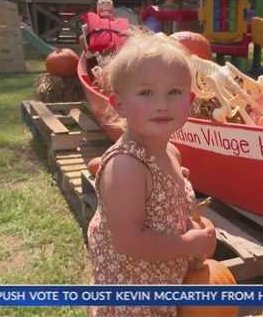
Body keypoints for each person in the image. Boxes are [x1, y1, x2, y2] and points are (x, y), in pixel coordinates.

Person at [87, 31, 216, 317]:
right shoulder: (127, 167)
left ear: (190, 99)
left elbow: (165, 213)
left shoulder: (171, 153)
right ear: (119, 104)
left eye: (174, 92)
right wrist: (187, 245)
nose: (162, 104)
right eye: (146, 93)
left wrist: (191, 229)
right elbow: (129, 241)